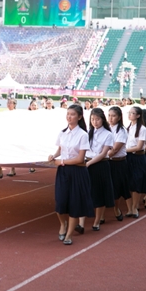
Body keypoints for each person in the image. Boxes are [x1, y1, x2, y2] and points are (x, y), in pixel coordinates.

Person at [48, 104, 94, 245]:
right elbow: (60, 149)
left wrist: (61, 161)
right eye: (68, 114)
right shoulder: (62, 133)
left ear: (79, 117)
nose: (69, 117)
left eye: (72, 114)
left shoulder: (83, 135)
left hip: (77, 172)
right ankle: (63, 224)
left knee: (75, 203)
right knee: (60, 202)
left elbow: (80, 159)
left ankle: (69, 235)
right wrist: (53, 155)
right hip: (63, 171)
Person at [80, 108, 115, 232]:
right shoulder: (88, 132)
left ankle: (97, 221)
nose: (95, 122)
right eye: (92, 119)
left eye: (97, 119)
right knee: (84, 192)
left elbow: (103, 154)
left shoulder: (108, 134)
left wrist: (89, 163)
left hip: (100, 165)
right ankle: (81, 224)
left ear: (102, 120)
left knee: (99, 194)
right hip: (87, 163)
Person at [125, 106, 146, 218]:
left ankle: (135, 207)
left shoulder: (142, 129)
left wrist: (124, 150)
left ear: (138, 115)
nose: (130, 115)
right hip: (128, 157)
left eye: (132, 113)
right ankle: (130, 208)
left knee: (137, 182)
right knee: (129, 183)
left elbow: (139, 147)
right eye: (129, 113)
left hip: (138, 158)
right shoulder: (128, 127)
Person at [106, 107, 127, 220]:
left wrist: (100, 157)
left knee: (117, 187)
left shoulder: (121, 131)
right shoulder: (105, 128)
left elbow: (114, 150)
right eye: (109, 115)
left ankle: (116, 208)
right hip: (106, 161)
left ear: (119, 117)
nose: (110, 118)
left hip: (118, 163)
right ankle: (102, 214)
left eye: (113, 116)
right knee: (104, 187)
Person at [6, 98, 18, 177]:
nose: (9, 104)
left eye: (11, 103)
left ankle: (11, 169)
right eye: (8, 103)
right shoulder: (5, 113)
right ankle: (12, 169)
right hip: (7, 135)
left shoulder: (17, 113)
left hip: (14, 135)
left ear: (14, 104)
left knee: (13, 152)